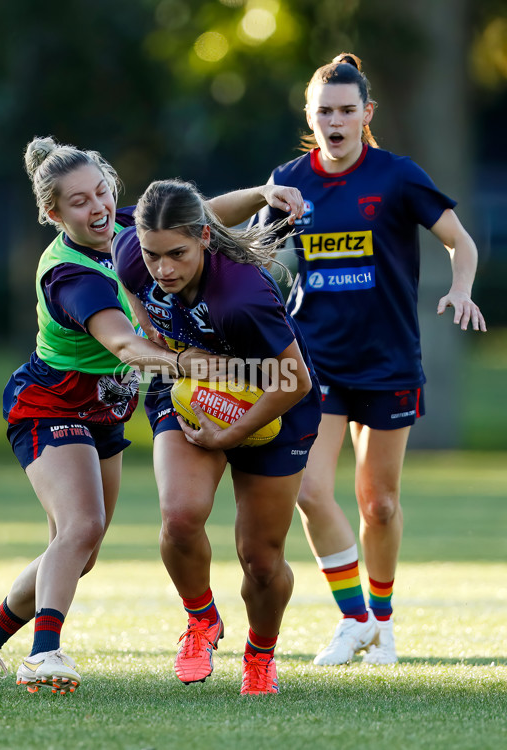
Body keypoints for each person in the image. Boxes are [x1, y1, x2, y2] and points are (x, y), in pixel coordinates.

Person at [0, 136, 306, 694]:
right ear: (53, 214)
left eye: (102, 192)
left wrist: (264, 192)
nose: (97, 207)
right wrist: (190, 362)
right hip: (53, 403)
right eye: (78, 202)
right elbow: (126, 345)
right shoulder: (71, 275)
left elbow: (202, 218)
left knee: (77, 553)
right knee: (83, 529)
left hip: (107, 410)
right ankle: (46, 653)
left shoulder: (130, 230)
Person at [251, 52, 486, 666]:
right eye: (324, 110)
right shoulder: (288, 181)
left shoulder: (397, 176)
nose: (335, 120)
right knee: (308, 489)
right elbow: (250, 259)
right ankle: (354, 619)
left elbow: (460, 242)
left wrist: (460, 289)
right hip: (315, 364)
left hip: (387, 361)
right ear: (310, 114)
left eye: (346, 110)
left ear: (366, 114)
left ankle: (382, 621)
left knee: (378, 503)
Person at [112, 178, 322, 695]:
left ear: (205, 239)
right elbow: (142, 289)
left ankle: (260, 654)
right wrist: (147, 324)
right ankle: (202, 620)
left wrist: (227, 433)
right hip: (189, 388)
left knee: (262, 560)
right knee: (180, 516)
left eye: (177, 255)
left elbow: (295, 381)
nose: (163, 270)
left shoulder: (241, 298)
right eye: (152, 254)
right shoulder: (131, 254)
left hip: (274, 398)